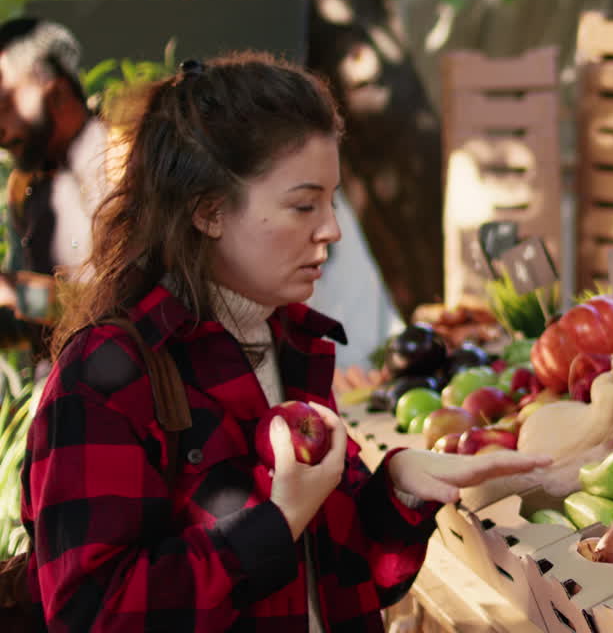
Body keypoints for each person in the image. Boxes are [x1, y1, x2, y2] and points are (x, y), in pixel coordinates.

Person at [19, 52, 548, 631]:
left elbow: (347, 576)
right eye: (304, 204)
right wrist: (276, 522)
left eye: (332, 199)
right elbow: (93, 614)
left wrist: (401, 491)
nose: (332, 230)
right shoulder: (107, 376)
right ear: (209, 211)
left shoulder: (294, 342)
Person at [0, 17, 113, 356]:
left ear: (58, 92)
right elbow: (40, 322)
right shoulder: (25, 185)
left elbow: (127, 305)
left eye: (4, 106)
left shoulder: (131, 165)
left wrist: (15, 294)